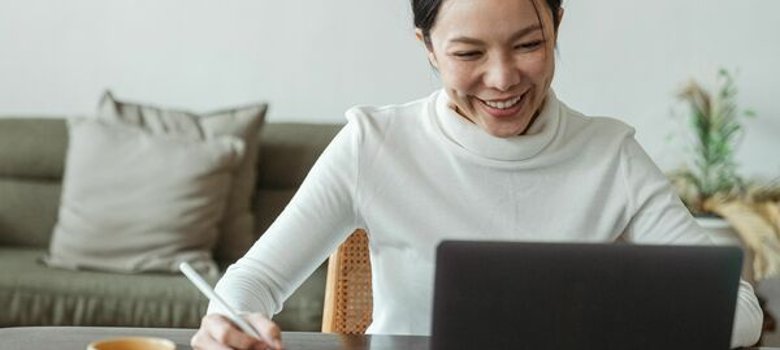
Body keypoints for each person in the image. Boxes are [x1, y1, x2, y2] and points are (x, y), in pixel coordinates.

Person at [191, 0, 764, 348]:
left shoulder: (609, 155)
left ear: (557, 26)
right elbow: (252, 282)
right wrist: (228, 324)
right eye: (468, 54)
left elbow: (739, 310)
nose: (503, 78)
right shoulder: (374, 145)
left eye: (529, 44)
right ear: (429, 48)